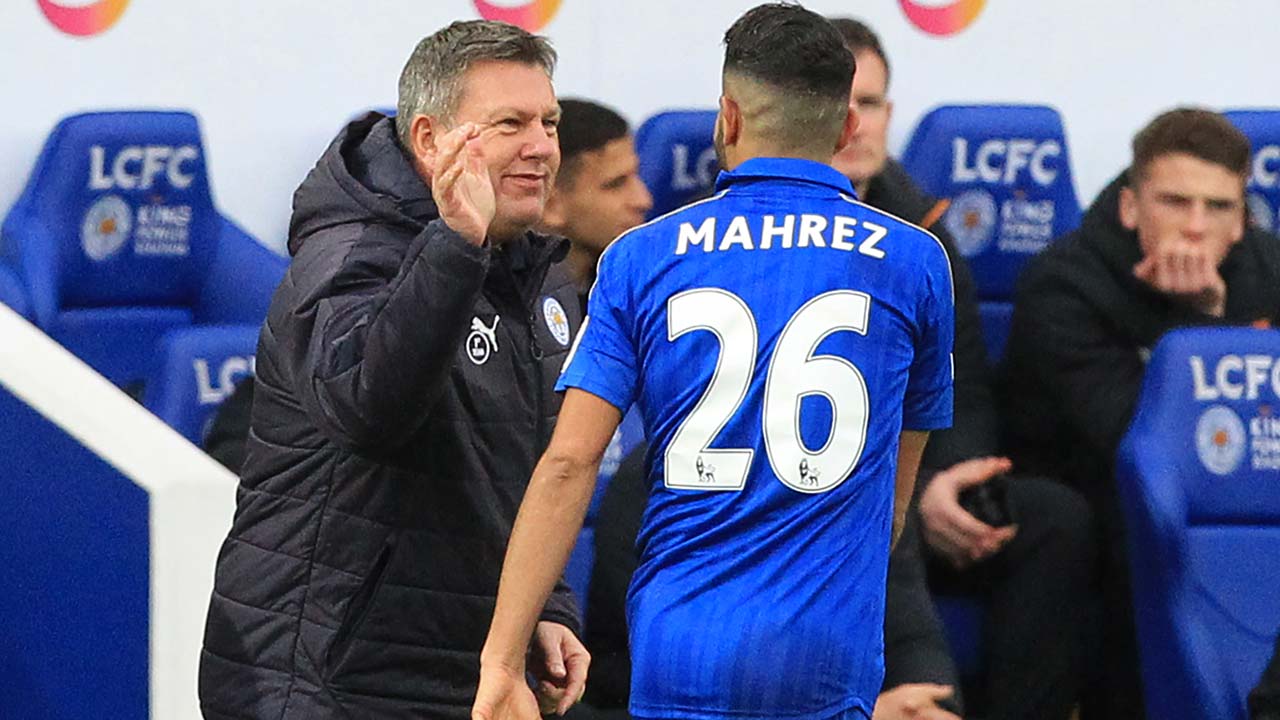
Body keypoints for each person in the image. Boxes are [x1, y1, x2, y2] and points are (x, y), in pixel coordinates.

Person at [473, 5, 956, 720]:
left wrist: (502, 659)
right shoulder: (917, 261)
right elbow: (890, 506)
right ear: (846, 127)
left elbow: (569, 464)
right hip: (825, 652)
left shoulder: (640, 257)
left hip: (681, 643)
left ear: (726, 118)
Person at [198, 20, 589, 720]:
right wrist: (457, 246)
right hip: (320, 679)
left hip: (459, 671)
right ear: (430, 141)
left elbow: (519, 470)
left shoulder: (539, 274)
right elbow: (367, 410)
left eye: (549, 123)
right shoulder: (348, 254)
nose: (541, 146)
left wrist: (545, 606)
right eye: (510, 124)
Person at [827, 17, 1095, 720]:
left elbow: (964, 386)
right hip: (816, 491)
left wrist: (945, 483)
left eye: (872, 103)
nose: (858, 124)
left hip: (917, 483)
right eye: (839, 103)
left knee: (1054, 519)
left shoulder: (927, 233)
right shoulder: (750, 229)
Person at [1001, 107, 1280, 719]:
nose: (1195, 227)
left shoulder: (1270, 273)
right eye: (1175, 202)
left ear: (1241, 220)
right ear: (1130, 207)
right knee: (1143, 521)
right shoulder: (1063, 283)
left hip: (1246, 499)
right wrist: (1201, 323)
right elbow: (1141, 443)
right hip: (1091, 500)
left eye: (1218, 207)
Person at [584, 441, 964, 720]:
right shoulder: (659, 479)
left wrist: (927, 706)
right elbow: (692, 676)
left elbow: (913, 637)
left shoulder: (856, 475)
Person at [539, 98, 654, 305]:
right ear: (551, 205)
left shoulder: (640, 292)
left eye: (636, 176)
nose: (643, 200)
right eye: (616, 184)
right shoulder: (498, 306)